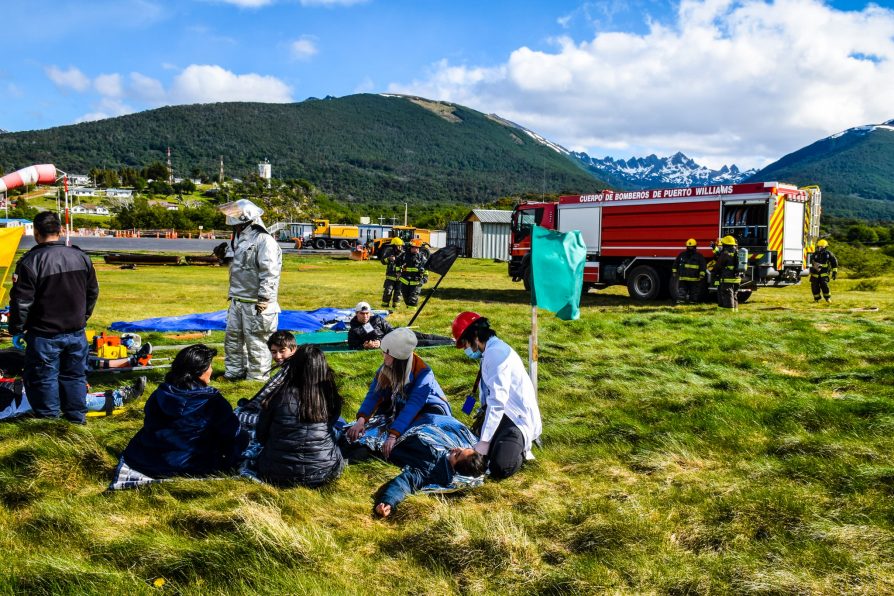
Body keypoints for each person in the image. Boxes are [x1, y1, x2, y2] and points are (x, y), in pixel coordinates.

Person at [7, 211, 99, 424]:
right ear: (60, 230)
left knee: (44, 379)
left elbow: (21, 302)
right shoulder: (81, 257)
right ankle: (77, 420)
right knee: (75, 377)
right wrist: (83, 317)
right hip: (76, 332)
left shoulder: (31, 261)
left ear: (36, 233)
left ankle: (51, 424)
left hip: (44, 335)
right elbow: (92, 292)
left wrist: (17, 329)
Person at [113, 345, 244, 486]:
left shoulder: (160, 394)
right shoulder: (213, 402)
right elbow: (232, 434)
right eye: (210, 366)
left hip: (148, 461)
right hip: (192, 466)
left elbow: (150, 424)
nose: (211, 370)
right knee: (240, 438)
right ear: (200, 371)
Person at [451, 312, 542, 479]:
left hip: (515, 419)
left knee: (500, 467)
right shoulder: (490, 352)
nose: (465, 349)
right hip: (502, 415)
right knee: (479, 457)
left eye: (464, 343)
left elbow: (497, 402)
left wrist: (485, 442)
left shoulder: (497, 354)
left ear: (475, 336)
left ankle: (519, 451)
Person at [346, 327, 451, 459]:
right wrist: (361, 420)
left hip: (429, 412)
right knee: (380, 418)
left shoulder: (424, 374)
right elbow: (375, 393)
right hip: (403, 406)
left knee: (413, 437)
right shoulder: (386, 368)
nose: (382, 355)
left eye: (385, 352)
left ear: (395, 355)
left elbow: (413, 406)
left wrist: (393, 435)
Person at [254, 345, 345, 488]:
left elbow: (261, 435)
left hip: (275, 473)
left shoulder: (277, 395)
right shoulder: (331, 396)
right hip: (324, 472)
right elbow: (330, 426)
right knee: (337, 432)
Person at [373, 414, 487, 518]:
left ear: (456, 466)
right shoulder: (457, 447)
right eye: (465, 448)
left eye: (457, 455)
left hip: (397, 433)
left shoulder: (430, 470)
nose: (457, 448)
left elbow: (406, 482)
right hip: (420, 418)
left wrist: (388, 502)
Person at [218, 199, 283, 381]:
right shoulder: (238, 238)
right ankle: (234, 373)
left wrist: (264, 298)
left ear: (245, 220)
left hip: (257, 303)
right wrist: (223, 258)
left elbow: (269, 272)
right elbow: (239, 266)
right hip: (238, 299)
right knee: (233, 339)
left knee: (257, 341)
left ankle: (256, 378)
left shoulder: (264, 241)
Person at [1, 376, 146, 421]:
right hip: (15, 402)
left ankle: (118, 395)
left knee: (69, 389)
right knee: (70, 399)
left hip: (18, 389)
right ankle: (121, 398)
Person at [394, 239, 427, 307]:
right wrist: (398, 272)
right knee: (405, 297)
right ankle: (408, 309)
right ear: (411, 247)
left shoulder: (422, 257)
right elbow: (397, 263)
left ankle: (412, 312)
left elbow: (426, 268)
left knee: (413, 298)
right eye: (415, 248)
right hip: (405, 281)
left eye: (418, 248)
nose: (416, 250)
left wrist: (425, 277)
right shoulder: (403, 255)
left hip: (416, 281)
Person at [712, 235, 741, 310]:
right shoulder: (737, 252)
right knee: (734, 294)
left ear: (725, 244)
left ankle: (729, 310)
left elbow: (718, 265)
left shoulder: (725, 254)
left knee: (727, 293)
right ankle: (735, 309)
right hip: (737, 278)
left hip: (727, 278)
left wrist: (714, 273)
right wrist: (714, 248)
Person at [674, 238, 706, 304]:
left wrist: (702, 274)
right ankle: (683, 301)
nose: (690, 248)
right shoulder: (683, 255)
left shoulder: (698, 256)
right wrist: (674, 271)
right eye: (689, 247)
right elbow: (676, 263)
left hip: (692, 278)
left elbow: (703, 266)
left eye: (691, 247)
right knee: (684, 290)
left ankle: (691, 301)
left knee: (691, 291)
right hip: (688, 278)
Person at [381, 237, 404, 308]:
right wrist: (389, 259)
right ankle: (385, 306)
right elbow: (383, 261)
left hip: (400, 277)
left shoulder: (404, 254)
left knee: (398, 293)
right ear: (393, 246)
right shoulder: (389, 252)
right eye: (398, 245)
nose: (400, 247)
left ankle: (396, 307)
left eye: (400, 245)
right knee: (388, 291)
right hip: (390, 277)